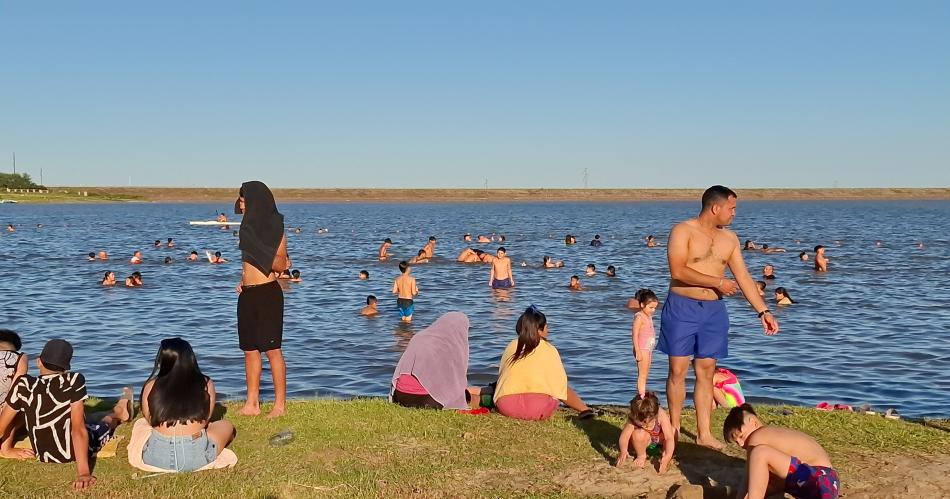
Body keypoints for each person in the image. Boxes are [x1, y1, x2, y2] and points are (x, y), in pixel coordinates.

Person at [659, 185, 778, 450]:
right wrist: (718, 282)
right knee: (677, 371)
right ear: (716, 208)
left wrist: (763, 311)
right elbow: (678, 270)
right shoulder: (683, 230)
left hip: (713, 311)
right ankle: (675, 430)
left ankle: (704, 433)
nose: (734, 213)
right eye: (732, 208)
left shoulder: (730, 239)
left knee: (706, 371)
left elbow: (744, 278)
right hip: (682, 306)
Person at [0, 339, 132, 489]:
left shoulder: (23, 384)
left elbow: (2, 426)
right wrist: (83, 473)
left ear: (38, 362)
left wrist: (6, 449)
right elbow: (78, 429)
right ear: (66, 368)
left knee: (83, 419)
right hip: (70, 453)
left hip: (42, 453)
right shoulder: (74, 381)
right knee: (103, 424)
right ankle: (119, 412)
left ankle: (110, 413)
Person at [234, 181, 291, 418]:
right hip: (247, 294)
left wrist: (259, 247)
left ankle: (279, 405)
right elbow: (248, 264)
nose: (241, 204)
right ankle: (252, 403)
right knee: (249, 350)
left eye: (244, 200)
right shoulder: (246, 229)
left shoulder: (275, 230)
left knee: (272, 350)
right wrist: (243, 280)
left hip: (268, 293)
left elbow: (283, 265)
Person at [138, 338, 236, 472]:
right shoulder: (206, 383)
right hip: (196, 457)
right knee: (226, 425)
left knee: (140, 425)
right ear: (191, 358)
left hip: (155, 457)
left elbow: (150, 420)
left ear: (162, 360)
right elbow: (206, 419)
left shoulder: (151, 385)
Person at [493, 306, 595, 420]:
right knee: (558, 386)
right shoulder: (549, 349)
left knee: (497, 387)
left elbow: (503, 378)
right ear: (539, 331)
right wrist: (583, 408)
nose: (548, 330)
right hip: (537, 408)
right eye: (546, 327)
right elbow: (560, 387)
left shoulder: (511, 346)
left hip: (507, 406)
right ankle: (584, 410)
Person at [724, 404, 839, 499]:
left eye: (741, 436)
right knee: (764, 481)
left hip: (818, 477)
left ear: (753, 422)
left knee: (760, 453)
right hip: (826, 484)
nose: (740, 444)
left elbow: (747, 481)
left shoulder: (758, 436)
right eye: (736, 442)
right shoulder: (775, 436)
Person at [390, 312, 475, 410]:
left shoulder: (420, 336)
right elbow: (456, 380)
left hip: (400, 395)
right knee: (469, 396)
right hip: (426, 400)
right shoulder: (451, 344)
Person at [616, 392, 675, 473]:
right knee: (638, 433)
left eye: (647, 422)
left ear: (654, 416)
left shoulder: (661, 415)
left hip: (659, 441)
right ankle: (641, 456)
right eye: (640, 421)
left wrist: (668, 456)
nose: (644, 425)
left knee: (673, 431)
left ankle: (665, 454)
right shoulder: (633, 418)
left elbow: (669, 438)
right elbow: (624, 437)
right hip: (645, 444)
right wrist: (623, 451)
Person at [0, 330, 27, 459]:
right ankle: (6, 448)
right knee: (18, 398)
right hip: (3, 416)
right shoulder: (20, 357)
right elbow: (16, 390)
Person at [632, 289, 659, 397]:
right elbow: (634, 334)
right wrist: (637, 350)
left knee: (646, 373)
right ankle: (641, 396)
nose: (653, 310)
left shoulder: (648, 316)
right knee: (642, 374)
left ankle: (642, 392)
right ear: (642, 305)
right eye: (651, 307)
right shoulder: (639, 317)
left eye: (655, 308)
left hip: (648, 349)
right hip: (642, 348)